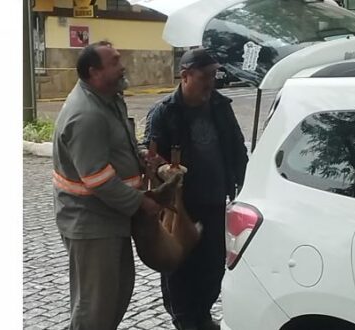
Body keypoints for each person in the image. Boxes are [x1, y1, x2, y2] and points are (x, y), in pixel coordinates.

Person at [52, 40, 162, 330]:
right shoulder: (86, 114)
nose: (122, 64)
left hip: (110, 219)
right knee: (95, 308)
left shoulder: (109, 97)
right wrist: (141, 202)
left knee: (116, 294)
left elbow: (115, 146)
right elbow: (97, 179)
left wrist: (140, 157)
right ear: (94, 72)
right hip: (91, 224)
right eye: (114, 61)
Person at [141, 48, 249, 330]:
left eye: (215, 75)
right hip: (181, 207)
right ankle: (185, 320)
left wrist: (244, 184)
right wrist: (165, 169)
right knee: (180, 267)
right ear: (185, 75)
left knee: (213, 267)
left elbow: (237, 148)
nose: (211, 82)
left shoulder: (219, 106)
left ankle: (202, 313)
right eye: (205, 75)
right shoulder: (164, 113)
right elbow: (149, 156)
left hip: (216, 201)